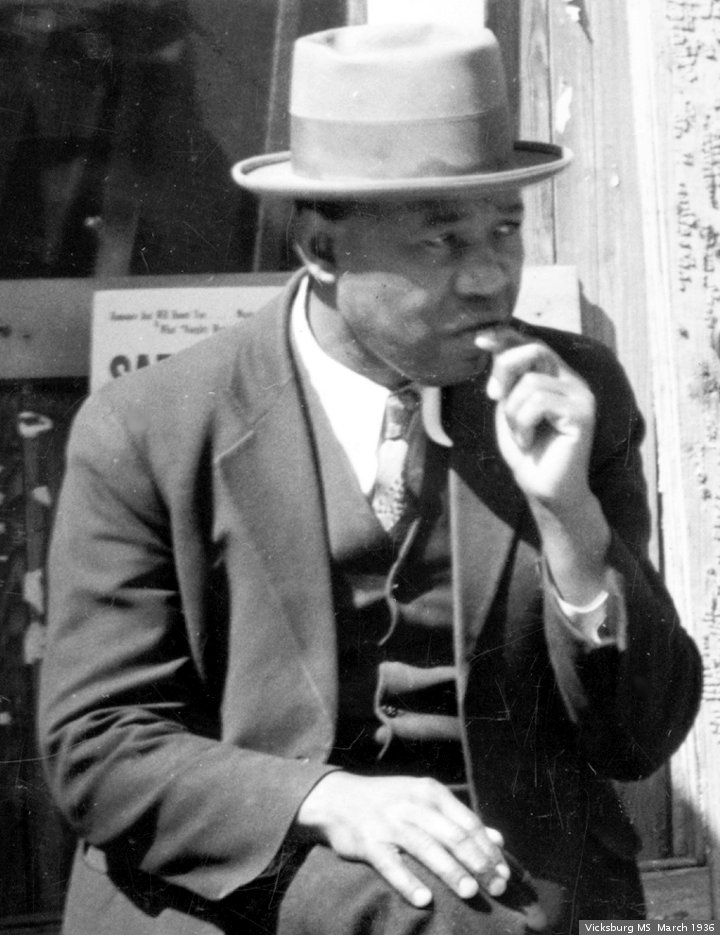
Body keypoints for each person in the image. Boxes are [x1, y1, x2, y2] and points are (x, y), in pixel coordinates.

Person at [38, 21, 702, 935]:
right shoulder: (150, 427)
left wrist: (571, 521)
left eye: (505, 229)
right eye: (441, 241)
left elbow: (641, 738)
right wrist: (326, 798)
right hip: (244, 885)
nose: (489, 276)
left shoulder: (573, 394)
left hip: (512, 890)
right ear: (321, 248)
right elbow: (96, 747)